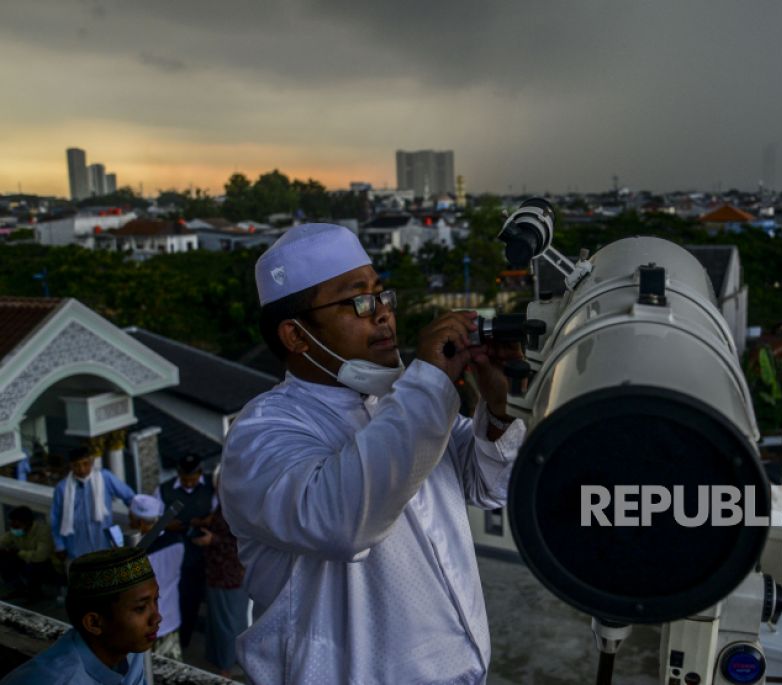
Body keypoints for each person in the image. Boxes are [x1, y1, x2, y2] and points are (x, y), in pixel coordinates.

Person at [220, 223, 525, 684]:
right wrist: (429, 382)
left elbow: (491, 486)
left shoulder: (401, 400)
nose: (382, 315)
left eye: (382, 297)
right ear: (297, 336)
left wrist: (498, 406)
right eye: (359, 301)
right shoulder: (261, 434)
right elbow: (344, 520)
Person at [0, 547, 160, 685]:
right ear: (94, 623)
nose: (157, 618)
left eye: (156, 600)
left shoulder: (129, 649)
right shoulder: (57, 680)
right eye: (140, 608)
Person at [191, 465, 248, 677]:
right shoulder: (227, 503)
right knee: (223, 621)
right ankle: (222, 660)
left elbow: (242, 542)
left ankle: (226, 666)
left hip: (229, 574)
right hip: (219, 573)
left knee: (228, 623)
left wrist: (212, 539)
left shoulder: (235, 507)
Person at [154, 453, 214, 649]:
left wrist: (204, 523)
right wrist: (167, 525)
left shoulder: (211, 489)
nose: (189, 483)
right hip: (170, 559)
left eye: (193, 478)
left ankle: (184, 641)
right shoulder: (163, 490)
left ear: (199, 473)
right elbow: (154, 523)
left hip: (197, 559)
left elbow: (218, 516)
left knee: (192, 601)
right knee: (169, 601)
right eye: (185, 479)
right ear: (178, 474)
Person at [50, 448, 136, 563]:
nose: (82, 469)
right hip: (77, 549)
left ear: (92, 462)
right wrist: (59, 545)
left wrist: (136, 516)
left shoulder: (105, 478)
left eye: (85, 464)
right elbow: (55, 519)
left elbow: (129, 497)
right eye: (77, 465)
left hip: (104, 544)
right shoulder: (62, 488)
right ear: (71, 466)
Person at [128, 494, 184, 660]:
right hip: (170, 618)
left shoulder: (138, 556)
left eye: (131, 518)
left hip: (145, 626)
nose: (129, 522)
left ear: (142, 523)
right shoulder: (178, 543)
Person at [0, 506, 61, 600]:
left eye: (16, 525)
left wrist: (18, 552)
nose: (13, 528)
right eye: (11, 524)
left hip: (48, 565)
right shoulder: (16, 530)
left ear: (27, 523)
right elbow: (3, 541)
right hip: (27, 559)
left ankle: (35, 593)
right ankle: (20, 589)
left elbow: (41, 556)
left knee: (36, 566)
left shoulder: (43, 532)